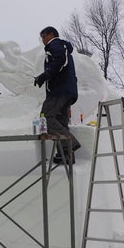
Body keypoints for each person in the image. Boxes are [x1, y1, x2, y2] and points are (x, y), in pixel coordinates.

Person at [34, 26, 81, 164]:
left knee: (46, 117)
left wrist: (45, 75)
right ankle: (65, 155)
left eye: (44, 35)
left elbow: (60, 60)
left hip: (59, 90)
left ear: (52, 34)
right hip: (66, 90)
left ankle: (70, 142)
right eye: (41, 37)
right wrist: (44, 77)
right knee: (60, 122)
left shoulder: (56, 44)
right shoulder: (59, 46)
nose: (42, 39)